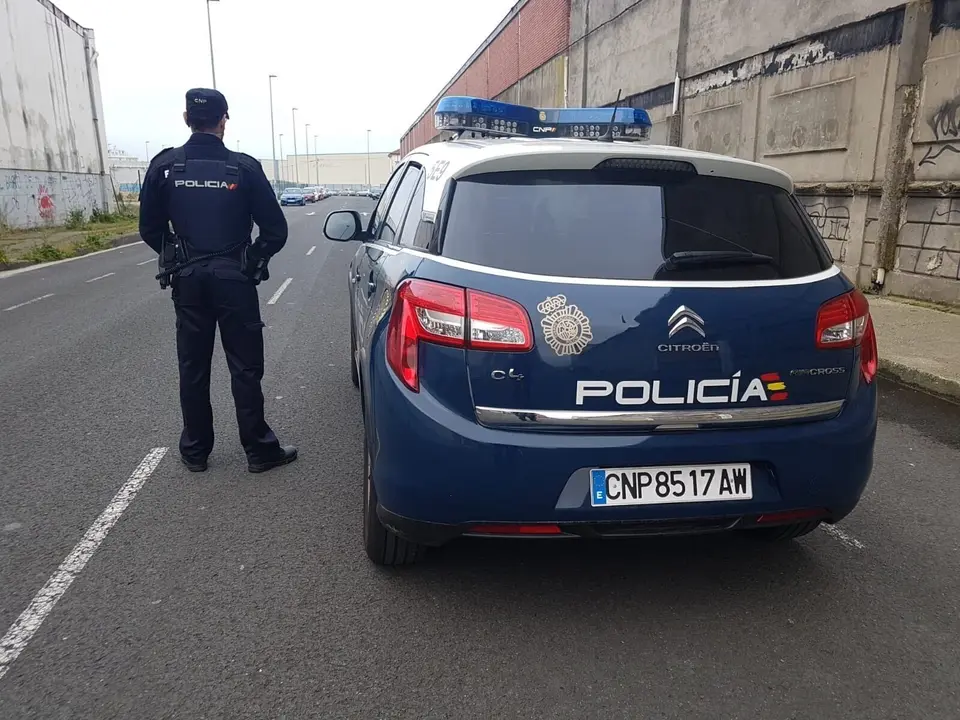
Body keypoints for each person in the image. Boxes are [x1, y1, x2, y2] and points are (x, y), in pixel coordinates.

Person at [139, 88, 297, 474]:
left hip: (188, 280)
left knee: (193, 366)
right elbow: (275, 230)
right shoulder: (243, 168)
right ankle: (259, 450)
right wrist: (252, 261)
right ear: (224, 120)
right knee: (244, 366)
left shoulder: (165, 167)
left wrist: (176, 255)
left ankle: (195, 451)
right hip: (234, 281)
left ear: (186, 119)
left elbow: (149, 228)